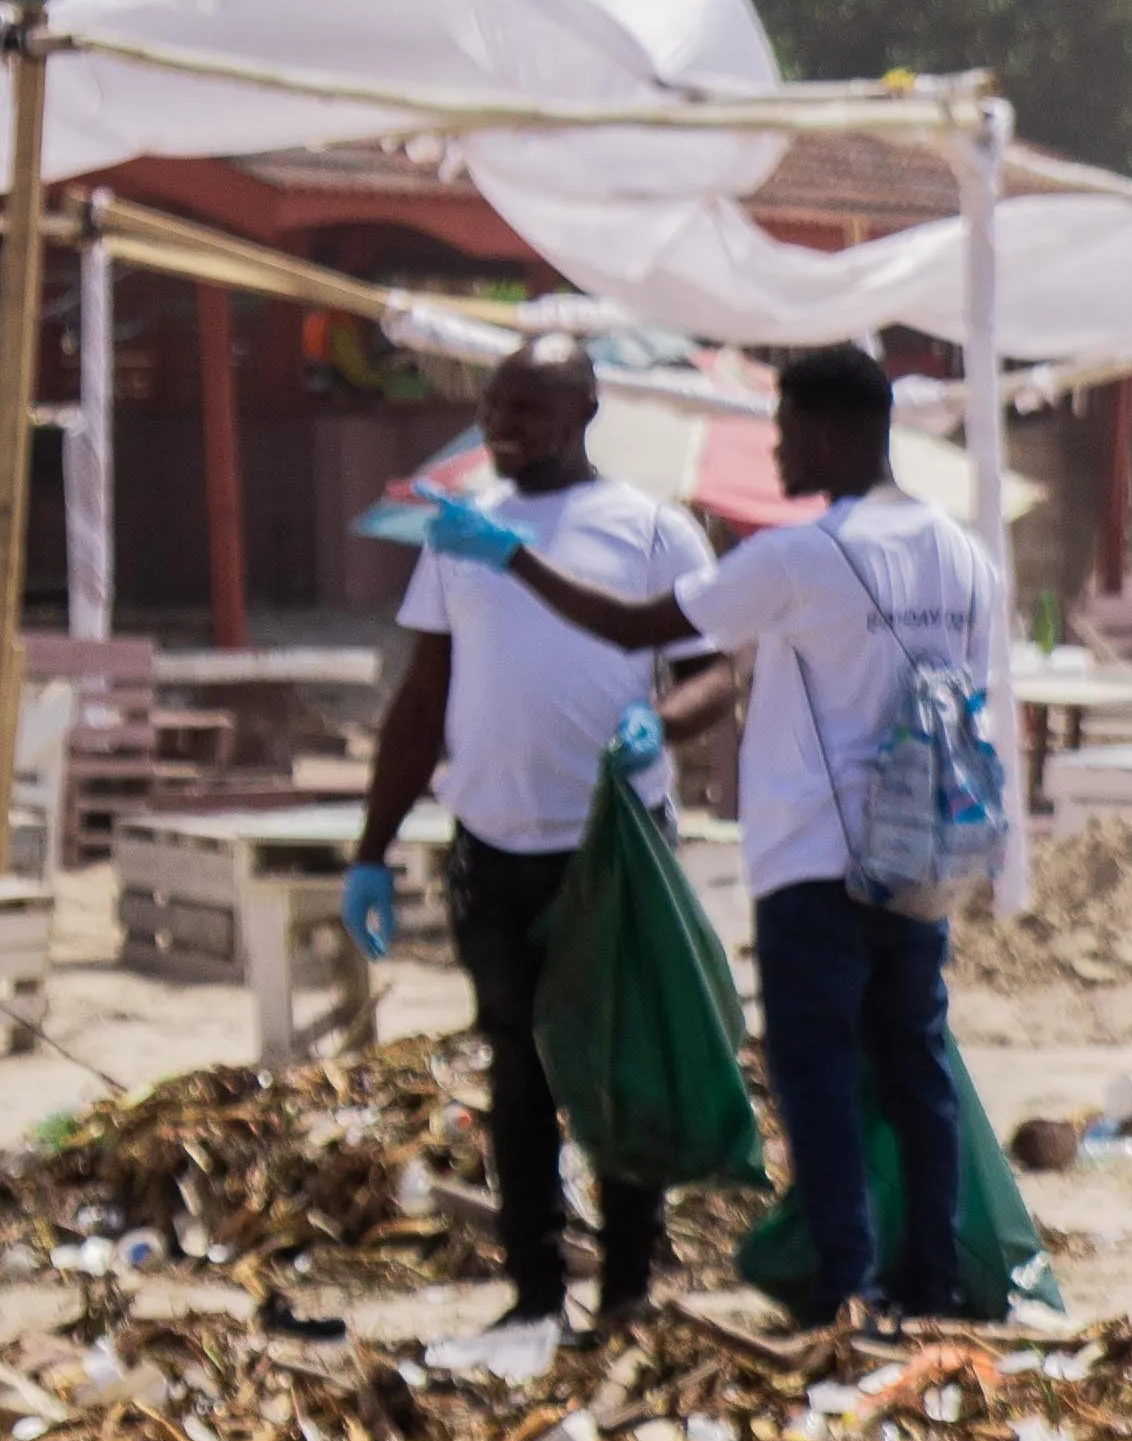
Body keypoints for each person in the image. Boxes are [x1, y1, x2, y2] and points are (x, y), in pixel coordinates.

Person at [420, 341, 1005, 1323]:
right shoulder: (965, 556)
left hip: (816, 860)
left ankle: (843, 1289)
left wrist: (512, 555)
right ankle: (929, 1282)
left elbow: (633, 629)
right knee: (915, 1070)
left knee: (814, 1077)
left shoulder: (798, 554)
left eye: (780, 430)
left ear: (823, 432)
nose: (774, 451)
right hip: (922, 858)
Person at [349, 338, 723, 1344]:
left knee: (617, 1059)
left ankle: (631, 1285)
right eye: (491, 406)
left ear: (584, 411)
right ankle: (533, 1291)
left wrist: (665, 721)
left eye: (525, 408)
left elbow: (711, 672)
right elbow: (422, 696)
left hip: (613, 845)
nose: (500, 426)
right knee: (517, 1066)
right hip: (493, 841)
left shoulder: (653, 529)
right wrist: (371, 847)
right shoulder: (461, 535)